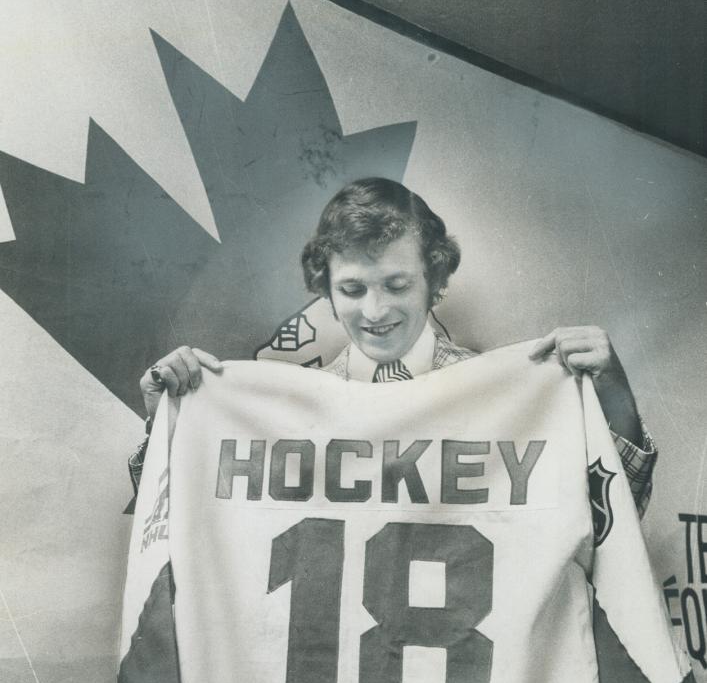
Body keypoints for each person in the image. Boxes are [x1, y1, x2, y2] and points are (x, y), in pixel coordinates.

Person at [131, 178, 656, 513]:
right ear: (327, 293)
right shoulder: (288, 405)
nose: (376, 312)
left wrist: (615, 398)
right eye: (353, 290)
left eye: (397, 286)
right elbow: (189, 522)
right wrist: (166, 424)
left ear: (434, 278)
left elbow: (612, 518)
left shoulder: (507, 393)